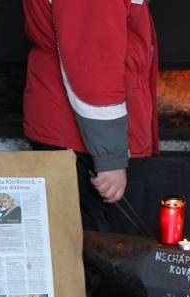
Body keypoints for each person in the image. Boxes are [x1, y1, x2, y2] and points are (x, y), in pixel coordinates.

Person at [22, 0, 159, 231]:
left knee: (75, 247)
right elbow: (93, 66)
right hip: (80, 139)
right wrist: (110, 159)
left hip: (70, 129)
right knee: (94, 251)